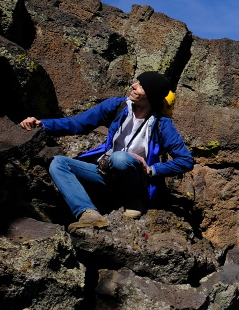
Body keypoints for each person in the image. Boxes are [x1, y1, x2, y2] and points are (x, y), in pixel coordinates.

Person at [20, 71, 195, 233]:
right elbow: (78, 124)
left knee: (120, 158)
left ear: (151, 94)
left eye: (140, 85)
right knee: (58, 162)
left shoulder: (161, 124)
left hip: (136, 182)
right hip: (106, 175)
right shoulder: (116, 106)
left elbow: (186, 160)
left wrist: (151, 170)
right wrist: (42, 124)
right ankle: (88, 214)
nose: (133, 85)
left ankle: (134, 200)